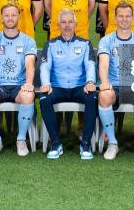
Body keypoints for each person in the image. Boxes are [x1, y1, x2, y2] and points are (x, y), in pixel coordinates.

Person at [0, 4, 37, 157]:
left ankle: (21, 139)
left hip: (19, 86)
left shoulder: (28, 41)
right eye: (6, 15)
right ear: (1, 18)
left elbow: (30, 64)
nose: (10, 18)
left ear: (19, 16)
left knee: (27, 96)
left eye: (13, 15)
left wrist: (29, 83)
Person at [39, 10, 97, 160]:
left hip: (79, 87)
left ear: (76, 24)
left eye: (70, 22)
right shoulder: (50, 44)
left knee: (92, 98)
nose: (67, 25)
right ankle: (56, 143)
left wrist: (90, 82)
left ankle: (85, 144)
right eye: (63, 22)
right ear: (58, 24)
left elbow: (90, 65)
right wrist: (46, 84)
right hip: (57, 87)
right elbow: (45, 66)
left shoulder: (85, 44)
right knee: (44, 99)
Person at [96, 3, 134, 160]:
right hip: (115, 85)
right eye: (121, 16)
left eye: (128, 16)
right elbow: (104, 63)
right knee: (105, 96)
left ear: (133, 17)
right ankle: (112, 143)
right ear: (115, 17)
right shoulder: (107, 40)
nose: (124, 19)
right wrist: (105, 82)